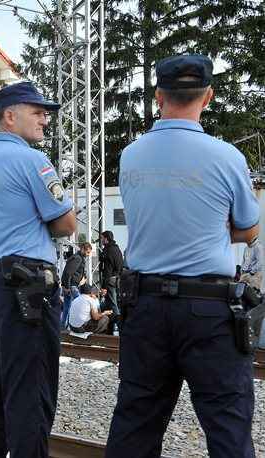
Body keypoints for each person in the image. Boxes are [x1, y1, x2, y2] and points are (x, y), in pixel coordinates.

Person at [105, 55, 260, 457]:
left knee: (136, 421)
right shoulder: (228, 157)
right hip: (210, 310)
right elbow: (249, 227)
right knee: (227, 423)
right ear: (207, 97)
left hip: (145, 304)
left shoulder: (131, 155)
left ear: (159, 96)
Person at [0, 81, 76, 457]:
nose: (45, 119)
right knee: (31, 389)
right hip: (27, 285)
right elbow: (66, 223)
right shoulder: (32, 161)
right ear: (10, 116)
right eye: (37, 111)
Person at [60, 242, 91, 329]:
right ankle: (72, 326)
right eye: (88, 252)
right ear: (83, 249)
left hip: (71, 285)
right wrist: (66, 287)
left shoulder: (77, 257)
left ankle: (63, 327)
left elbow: (68, 272)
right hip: (72, 286)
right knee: (77, 307)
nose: (88, 255)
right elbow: (68, 273)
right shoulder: (78, 258)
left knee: (67, 307)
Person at [99, 230, 124, 328]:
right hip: (118, 279)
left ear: (106, 239)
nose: (101, 240)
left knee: (113, 304)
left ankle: (120, 326)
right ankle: (110, 326)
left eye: (102, 238)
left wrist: (104, 286)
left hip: (110, 280)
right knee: (111, 303)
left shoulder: (108, 251)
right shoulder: (117, 249)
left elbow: (107, 270)